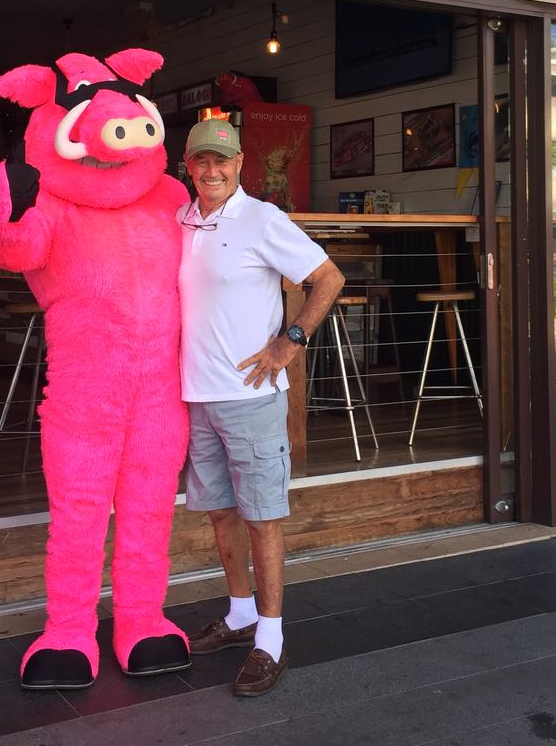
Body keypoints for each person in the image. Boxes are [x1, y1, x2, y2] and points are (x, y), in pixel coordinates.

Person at [177, 118, 344, 697]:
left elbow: (328, 277)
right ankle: (241, 611)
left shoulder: (262, 219)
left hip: (250, 397)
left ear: (241, 162)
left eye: (221, 160)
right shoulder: (182, 219)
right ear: (188, 164)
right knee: (221, 511)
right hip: (196, 396)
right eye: (201, 160)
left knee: (262, 515)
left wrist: (291, 341)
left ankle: (270, 640)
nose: (212, 170)